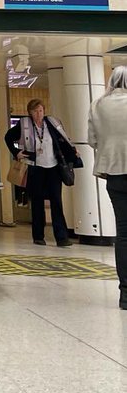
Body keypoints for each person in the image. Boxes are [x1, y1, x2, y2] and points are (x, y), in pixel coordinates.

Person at [4, 100, 79, 247]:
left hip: (53, 167)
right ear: (30, 112)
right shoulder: (24, 124)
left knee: (56, 201)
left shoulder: (52, 123)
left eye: (40, 110)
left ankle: (62, 237)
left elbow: (63, 140)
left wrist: (73, 151)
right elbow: (8, 137)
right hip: (35, 167)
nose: (38, 114)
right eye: (35, 111)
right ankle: (38, 236)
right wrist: (16, 152)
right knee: (37, 202)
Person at [87, 66, 127, 310]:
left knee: (123, 232)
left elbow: (92, 140)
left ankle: (125, 294)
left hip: (113, 172)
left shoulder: (97, 105)